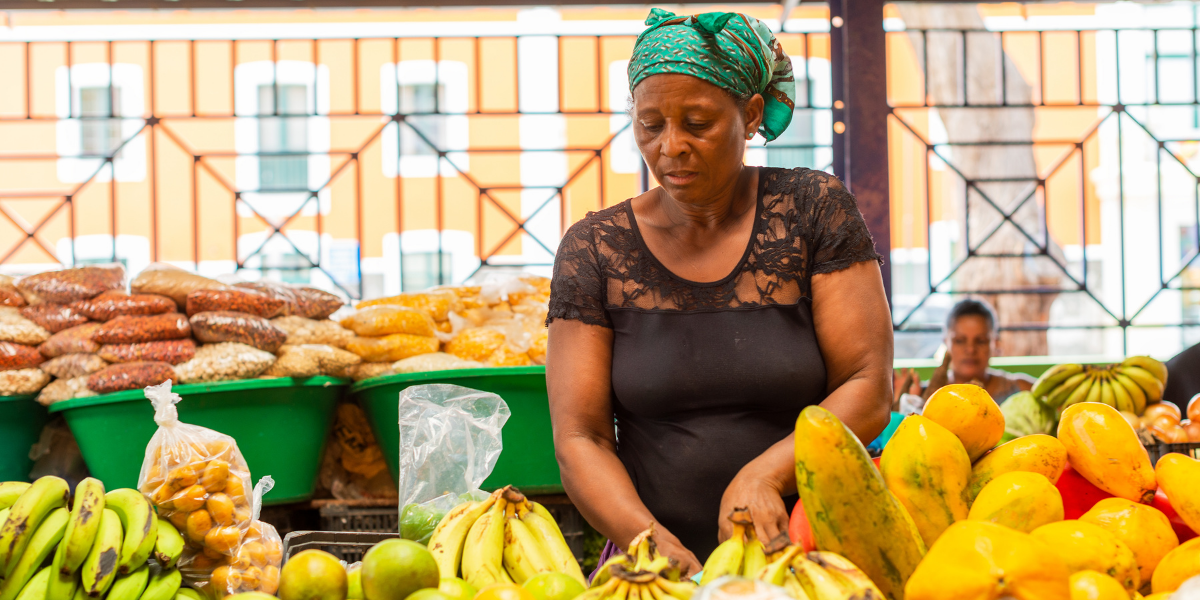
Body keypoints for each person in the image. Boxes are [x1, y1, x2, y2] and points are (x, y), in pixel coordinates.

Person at [544, 9, 893, 574]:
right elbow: (580, 436)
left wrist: (765, 474)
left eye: (697, 123)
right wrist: (650, 542)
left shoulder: (812, 210)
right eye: (650, 124)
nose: (671, 146)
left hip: (810, 554)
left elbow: (868, 384)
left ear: (751, 114)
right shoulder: (595, 249)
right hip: (652, 564)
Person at [894, 298, 1033, 405]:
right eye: (960, 340)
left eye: (981, 341)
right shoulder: (920, 396)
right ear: (946, 342)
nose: (970, 349)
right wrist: (899, 404)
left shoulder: (1023, 390)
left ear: (995, 343)